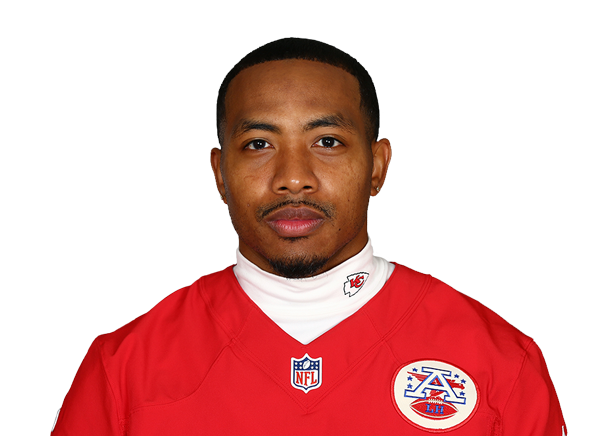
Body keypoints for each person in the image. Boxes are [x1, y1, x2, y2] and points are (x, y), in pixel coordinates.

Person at [51, 37, 567, 435]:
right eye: (258, 144)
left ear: (377, 166)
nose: (293, 177)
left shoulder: (500, 363)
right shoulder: (122, 369)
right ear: (220, 175)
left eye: (327, 141)